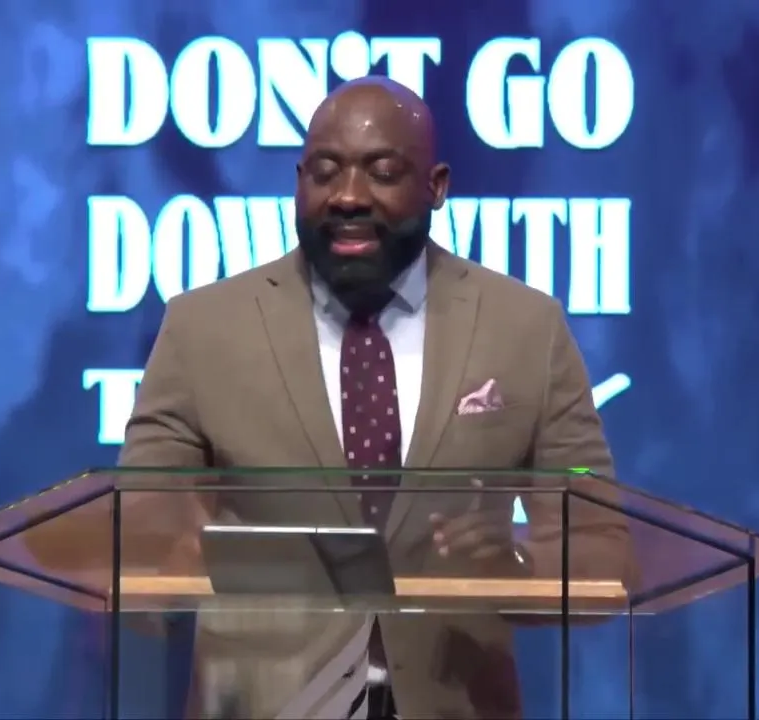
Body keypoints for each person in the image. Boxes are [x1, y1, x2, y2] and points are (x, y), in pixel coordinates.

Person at [119, 76, 631, 719]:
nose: (348, 196)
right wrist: (171, 543)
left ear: (436, 187)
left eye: (382, 173)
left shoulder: (525, 328)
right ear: (298, 182)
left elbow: (603, 548)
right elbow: (134, 528)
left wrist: (519, 565)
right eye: (324, 173)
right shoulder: (203, 329)